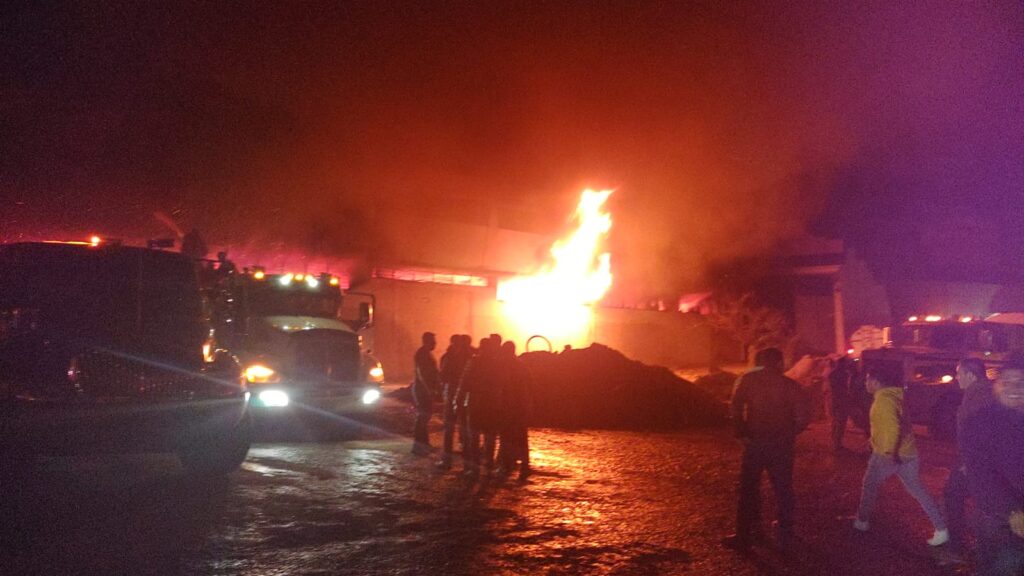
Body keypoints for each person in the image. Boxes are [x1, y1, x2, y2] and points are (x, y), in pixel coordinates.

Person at [853, 360, 949, 546]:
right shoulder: (895, 396)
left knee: (869, 486)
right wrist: (873, 441)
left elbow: (892, 429)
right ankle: (942, 528)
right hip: (908, 452)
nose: (866, 383)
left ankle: (862, 522)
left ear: (876, 381)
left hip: (889, 454)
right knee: (918, 490)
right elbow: (890, 426)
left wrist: (888, 454)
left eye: (867, 379)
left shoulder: (883, 401)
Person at [724, 347, 811, 552]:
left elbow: (735, 405)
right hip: (781, 446)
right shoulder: (790, 385)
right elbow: (803, 416)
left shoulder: (748, 381)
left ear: (760, 362)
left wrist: (741, 431)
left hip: (754, 443)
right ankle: (785, 534)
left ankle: (746, 534)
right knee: (783, 490)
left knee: (748, 489)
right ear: (780, 363)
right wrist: (789, 433)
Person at [961, 358, 1024, 576]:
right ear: (996, 385)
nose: (1014, 388)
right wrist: (1012, 512)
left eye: (1021, 382)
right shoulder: (978, 422)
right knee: (1002, 565)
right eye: (1007, 381)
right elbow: (980, 476)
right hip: (999, 518)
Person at [943, 358, 994, 554]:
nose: (956, 377)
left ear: (971, 375)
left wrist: (970, 462)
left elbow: (983, 432)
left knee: (953, 495)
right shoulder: (981, 392)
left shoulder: (978, 397)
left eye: (959, 373)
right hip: (979, 461)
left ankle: (958, 547)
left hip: (975, 462)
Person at [497, 340, 532, 481]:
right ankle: (524, 465)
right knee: (521, 437)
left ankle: (506, 465)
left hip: (509, 407)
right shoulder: (521, 365)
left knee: (506, 436)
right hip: (521, 407)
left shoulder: (506, 366)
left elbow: (504, 387)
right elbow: (529, 385)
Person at [437, 334, 472, 470]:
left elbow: (443, 375)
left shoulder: (450, 357)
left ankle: (447, 461)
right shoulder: (472, 357)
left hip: (453, 394)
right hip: (466, 397)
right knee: (466, 429)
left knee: (449, 428)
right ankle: (468, 463)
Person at [411, 331, 440, 456]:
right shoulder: (422, 354)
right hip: (423, 390)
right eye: (433, 341)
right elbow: (422, 374)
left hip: (424, 389)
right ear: (426, 341)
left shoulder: (426, 353)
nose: (435, 344)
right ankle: (419, 445)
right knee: (423, 416)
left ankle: (423, 444)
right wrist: (429, 390)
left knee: (424, 417)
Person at [828, 355, 861, 452]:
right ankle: (837, 445)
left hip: (834, 401)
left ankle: (835, 443)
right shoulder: (844, 374)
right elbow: (846, 388)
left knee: (835, 423)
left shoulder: (832, 374)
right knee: (840, 423)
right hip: (842, 401)